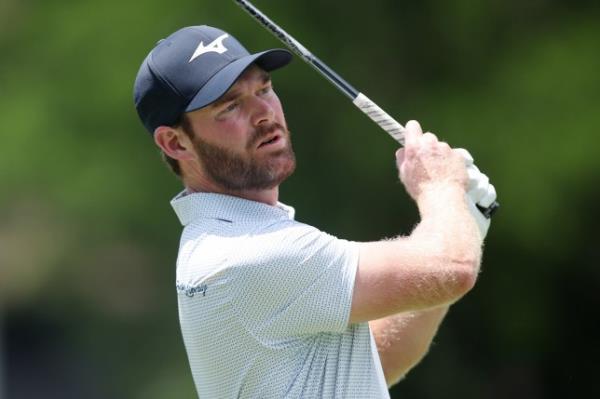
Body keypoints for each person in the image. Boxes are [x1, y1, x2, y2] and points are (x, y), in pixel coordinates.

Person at [133, 25, 497, 399]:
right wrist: (441, 188)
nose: (263, 112)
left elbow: (375, 362)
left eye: (264, 89)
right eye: (230, 106)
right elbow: (452, 270)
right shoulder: (247, 252)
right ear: (175, 142)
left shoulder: (223, 241)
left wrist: (463, 218)